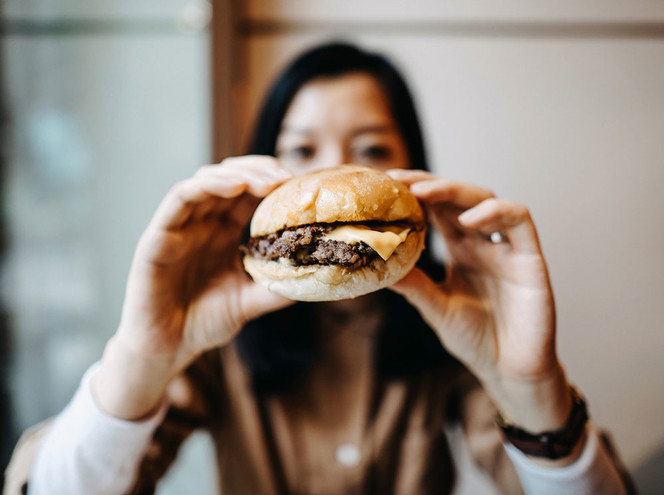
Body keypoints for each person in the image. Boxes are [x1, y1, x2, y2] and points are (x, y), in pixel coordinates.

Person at [5, 42, 632, 495]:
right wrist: (140, 356)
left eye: (371, 150)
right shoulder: (214, 338)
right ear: (260, 168)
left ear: (413, 166)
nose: (331, 172)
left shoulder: (459, 324)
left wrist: (533, 386)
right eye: (301, 149)